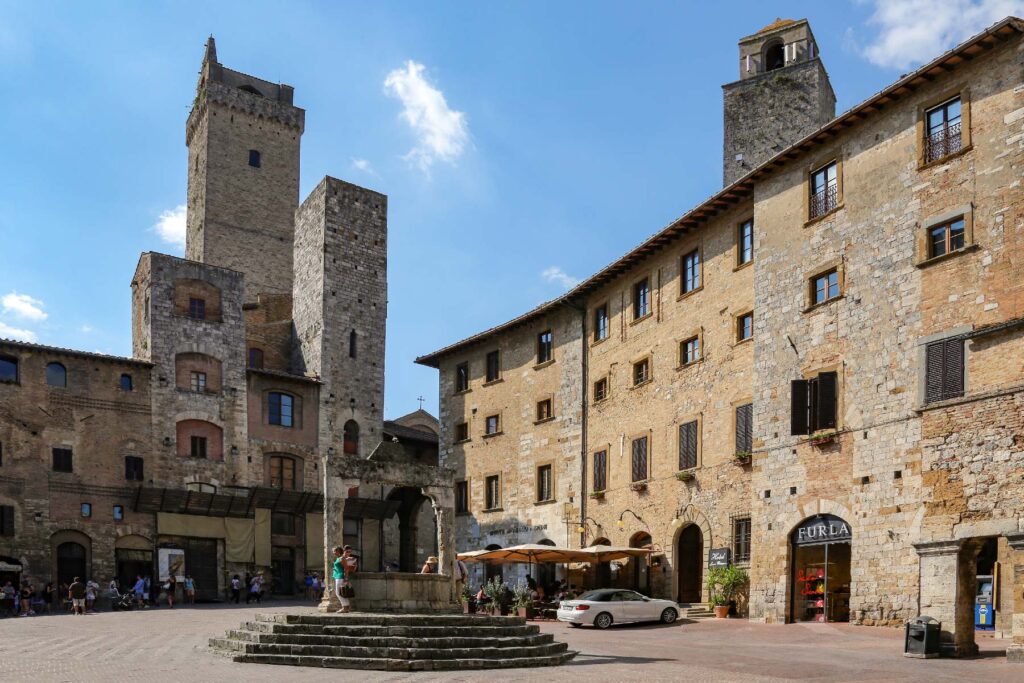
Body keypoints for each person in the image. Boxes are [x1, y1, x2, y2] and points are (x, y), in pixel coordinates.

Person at [332, 545, 357, 613]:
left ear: (338, 551)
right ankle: (346, 607)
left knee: (339, 593)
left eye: (334, 551)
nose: (333, 552)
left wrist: (346, 578)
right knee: (340, 592)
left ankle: (345, 607)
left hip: (340, 576)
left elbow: (346, 568)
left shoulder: (342, 558)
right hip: (337, 576)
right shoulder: (339, 558)